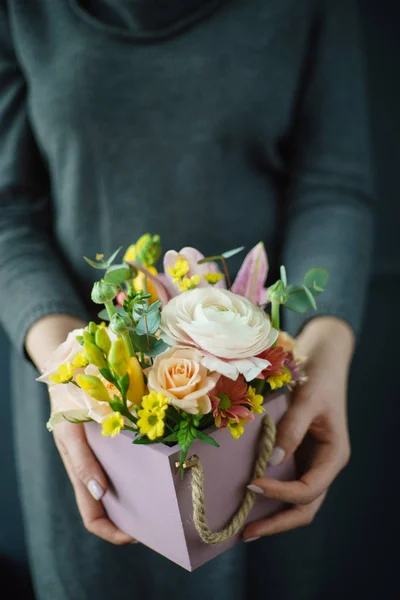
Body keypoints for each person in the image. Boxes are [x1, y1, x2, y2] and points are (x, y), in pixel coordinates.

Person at [0, 1, 374, 599]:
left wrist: (325, 344)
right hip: (87, 393)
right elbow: (6, 207)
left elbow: (333, 184)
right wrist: (70, 363)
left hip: (273, 392)